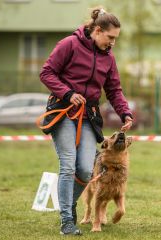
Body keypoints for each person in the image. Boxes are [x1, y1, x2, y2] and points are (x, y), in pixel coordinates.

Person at [39, 7, 133, 235]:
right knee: (69, 163)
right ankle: (67, 220)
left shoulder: (108, 57)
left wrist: (125, 112)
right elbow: (47, 73)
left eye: (115, 39)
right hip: (63, 111)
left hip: (89, 116)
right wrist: (68, 93)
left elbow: (114, 89)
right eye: (110, 37)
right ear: (97, 30)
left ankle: (69, 207)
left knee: (84, 170)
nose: (112, 43)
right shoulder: (69, 44)